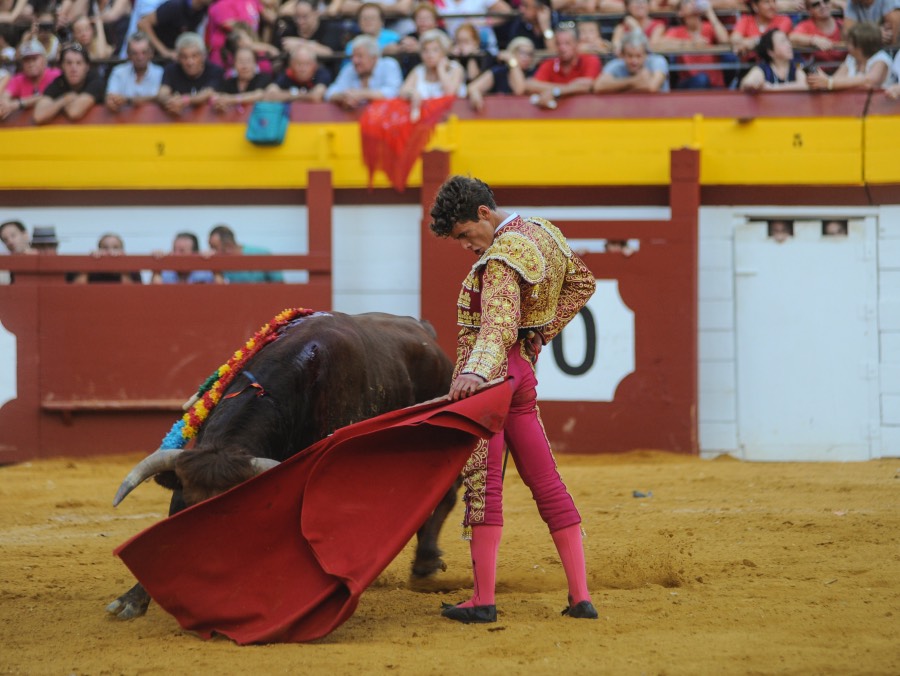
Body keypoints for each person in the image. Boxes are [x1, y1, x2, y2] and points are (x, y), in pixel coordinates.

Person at [428, 175, 597, 624]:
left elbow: (497, 327)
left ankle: (483, 599)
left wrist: (473, 373)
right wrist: (544, 328)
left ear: (484, 213)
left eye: (465, 234)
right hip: (523, 375)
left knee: (484, 488)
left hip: (494, 379)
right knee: (547, 482)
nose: (466, 246)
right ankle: (581, 597)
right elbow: (582, 283)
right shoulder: (543, 232)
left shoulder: (501, 258)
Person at [657, 0, 731, 89]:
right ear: (680, 12)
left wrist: (709, 13)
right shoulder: (677, 31)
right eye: (687, 2)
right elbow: (660, 43)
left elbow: (725, 40)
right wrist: (690, 43)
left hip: (715, 84)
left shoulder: (709, 27)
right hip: (690, 83)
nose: (693, 3)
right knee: (702, 79)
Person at [525, 23, 601, 109]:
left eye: (567, 43)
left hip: (587, 113)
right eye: (558, 44)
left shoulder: (590, 60)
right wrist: (567, 88)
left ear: (577, 44)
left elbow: (587, 85)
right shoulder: (550, 63)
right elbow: (530, 85)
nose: (562, 48)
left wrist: (555, 91)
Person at [399, 28, 466, 121]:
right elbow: (402, 91)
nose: (430, 55)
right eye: (425, 51)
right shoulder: (418, 70)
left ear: (443, 51)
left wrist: (441, 69)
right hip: (423, 121)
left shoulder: (455, 68)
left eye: (435, 50)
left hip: (451, 120)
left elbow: (450, 93)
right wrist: (412, 93)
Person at [33, 42, 105, 124]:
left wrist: (57, 105)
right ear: (62, 66)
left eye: (79, 63)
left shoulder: (96, 81)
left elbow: (74, 112)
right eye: (69, 63)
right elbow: (38, 116)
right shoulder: (59, 82)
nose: (74, 68)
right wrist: (65, 99)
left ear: (87, 66)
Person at [324, 34, 402, 109]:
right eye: (353, 56)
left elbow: (393, 92)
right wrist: (343, 96)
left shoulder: (388, 65)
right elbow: (330, 93)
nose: (355, 61)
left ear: (374, 57)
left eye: (360, 56)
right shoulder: (349, 68)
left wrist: (362, 94)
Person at [807, 21, 893, 89]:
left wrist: (829, 82)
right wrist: (822, 79)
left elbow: (870, 81)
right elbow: (836, 79)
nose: (846, 45)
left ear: (860, 47)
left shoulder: (881, 59)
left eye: (850, 42)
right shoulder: (851, 58)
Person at [156, 32, 224, 115]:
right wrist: (170, 102)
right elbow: (162, 94)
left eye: (194, 56)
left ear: (203, 56)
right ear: (178, 58)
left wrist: (183, 100)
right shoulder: (171, 70)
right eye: (184, 57)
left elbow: (206, 94)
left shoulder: (215, 71)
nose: (190, 62)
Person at [467, 35, 537, 110]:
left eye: (530, 54)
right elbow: (472, 87)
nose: (526, 57)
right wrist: (475, 94)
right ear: (513, 52)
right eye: (522, 53)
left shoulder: (533, 73)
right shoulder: (500, 72)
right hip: (499, 115)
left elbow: (519, 89)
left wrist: (512, 62)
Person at [0, 39, 60, 120]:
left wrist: (18, 104)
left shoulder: (56, 75)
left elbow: (51, 95)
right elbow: (5, 96)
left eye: (34, 59)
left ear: (44, 60)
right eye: (27, 60)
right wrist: (5, 105)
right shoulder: (18, 79)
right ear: (22, 64)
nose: (31, 64)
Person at [105, 31, 164, 112]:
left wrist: (128, 100)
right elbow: (110, 99)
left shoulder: (161, 73)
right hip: (124, 122)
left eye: (144, 52)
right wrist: (112, 102)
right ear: (128, 54)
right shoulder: (118, 72)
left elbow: (163, 99)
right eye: (135, 53)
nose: (140, 57)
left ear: (151, 53)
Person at [593, 31, 670, 92]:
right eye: (630, 56)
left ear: (646, 55)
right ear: (622, 55)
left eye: (638, 56)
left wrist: (617, 87)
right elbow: (598, 86)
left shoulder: (657, 61)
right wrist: (634, 81)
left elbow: (651, 88)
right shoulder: (615, 65)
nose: (634, 61)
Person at [138, 0, 213, 61]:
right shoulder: (175, 6)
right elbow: (142, 24)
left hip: (177, 55)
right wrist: (164, 51)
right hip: (158, 56)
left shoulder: (202, 9)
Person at [208, 224, 284, 283]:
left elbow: (279, 282)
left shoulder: (261, 254)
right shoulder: (220, 263)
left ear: (228, 245)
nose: (213, 251)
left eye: (214, 247)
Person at [739, 28, 809, 90]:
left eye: (787, 40)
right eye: (783, 41)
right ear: (770, 51)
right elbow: (746, 83)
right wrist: (753, 84)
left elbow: (804, 85)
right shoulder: (763, 69)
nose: (789, 45)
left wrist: (772, 88)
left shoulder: (796, 66)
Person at [264, 44, 332, 102]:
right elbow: (270, 94)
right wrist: (304, 95)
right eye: (299, 64)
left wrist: (287, 95)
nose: (302, 69)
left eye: (307, 64)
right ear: (291, 65)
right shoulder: (287, 74)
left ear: (314, 65)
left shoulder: (321, 74)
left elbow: (316, 96)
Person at [789, 0, 845, 71]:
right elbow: (792, 37)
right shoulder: (807, 25)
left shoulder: (842, 24)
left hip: (843, 73)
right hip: (816, 74)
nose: (823, 6)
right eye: (816, 4)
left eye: (825, 1)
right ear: (809, 10)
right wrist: (814, 40)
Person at [212, 46, 270, 110]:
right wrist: (220, 104)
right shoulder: (228, 82)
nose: (244, 66)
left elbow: (258, 95)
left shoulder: (263, 78)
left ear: (255, 63)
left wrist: (230, 99)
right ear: (234, 64)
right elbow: (218, 96)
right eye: (240, 61)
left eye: (248, 61)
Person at [70, 233, 143, 284]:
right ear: (98, 250)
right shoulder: (90, 270)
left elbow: (131, 295)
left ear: (122, 251)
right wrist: (89, 263)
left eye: (115, 248)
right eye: (105, 248)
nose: (110, 251)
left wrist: (123, 269)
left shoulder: (132, 270)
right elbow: (77, 293)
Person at [151, 232, 221, 283]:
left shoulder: (205, 274)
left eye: (182, 251)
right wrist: (157, 268)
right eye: (174, 250)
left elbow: (221, 291)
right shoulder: (166, 274)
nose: (176, 254)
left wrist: (214, 263)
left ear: (195, 253)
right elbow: (154, 294)